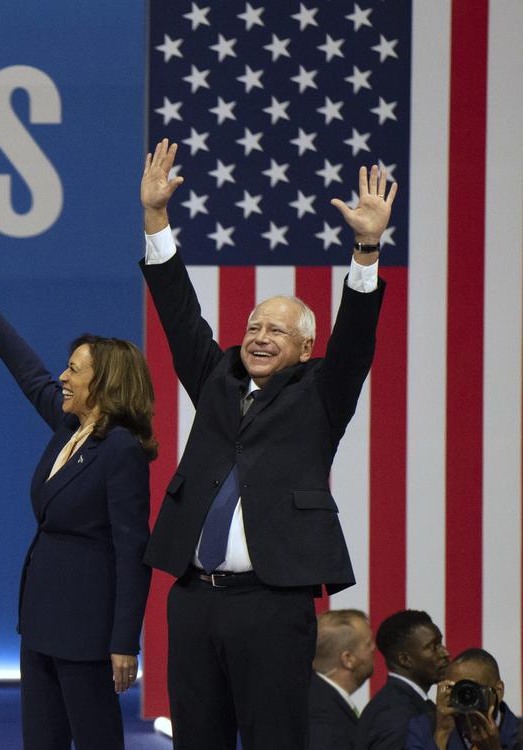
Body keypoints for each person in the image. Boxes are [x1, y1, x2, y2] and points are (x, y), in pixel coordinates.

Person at [138, 138, 396, 750]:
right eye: (254, 325)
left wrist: (366, 249)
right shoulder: (217, 379)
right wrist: (156, 219)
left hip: (272, 603)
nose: (258, 336)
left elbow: (357, 338)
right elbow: (179, 314)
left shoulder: (321, 395)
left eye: (276, 330)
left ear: (305, 348)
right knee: (196, 736)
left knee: (274, 737)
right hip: (194, 599)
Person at [0, 238, 155, 750]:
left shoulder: (120, 450)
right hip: (43, 622)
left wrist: (124, 642)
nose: (62, 377)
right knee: (43, 740)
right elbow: (30, 376)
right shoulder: (69, 428)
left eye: (74, 370)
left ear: (104, 384)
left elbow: (132, 552)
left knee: (95, 740)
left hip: (87, 632)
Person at [355, 609, 450, 750]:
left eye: (440, 643)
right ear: (404, 659)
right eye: (433, 647)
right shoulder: (397, 715)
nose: (445, 653)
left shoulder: (399, 704)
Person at [406, 648, 521, 750]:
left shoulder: (519, 734)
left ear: (498, 691)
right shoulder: (423, 728)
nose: (466, 697)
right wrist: (442, 734)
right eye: (458, 689)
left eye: (472, 689)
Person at [310, 609, 377, 750]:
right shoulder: (325, 722)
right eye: (368, 643)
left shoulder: (317, 700)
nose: (373, 647)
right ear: (348, 659)